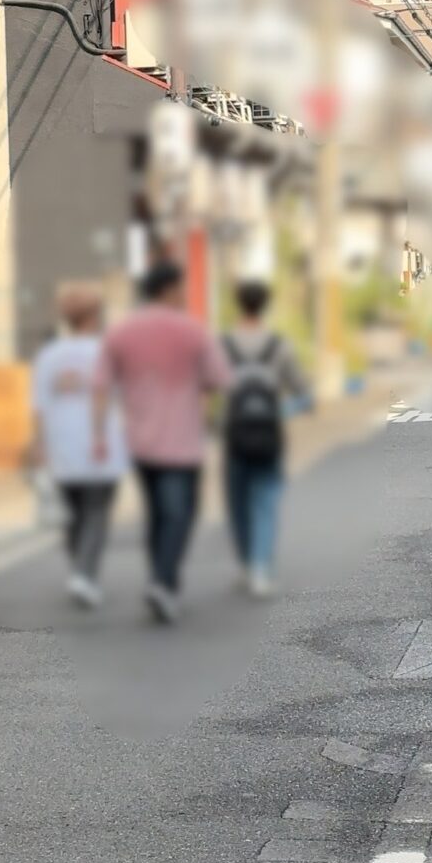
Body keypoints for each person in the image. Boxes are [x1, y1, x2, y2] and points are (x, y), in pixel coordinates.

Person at [94, 258, 230, 623]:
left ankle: (160, 579)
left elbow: (101, 386)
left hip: (138, 440)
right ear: (169, 290)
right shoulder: (191, 331)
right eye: (180, 288)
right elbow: (219, 378)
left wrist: (98, 436)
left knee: (157, 512)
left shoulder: (121, 333)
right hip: (181, 440)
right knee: (180, 513)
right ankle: (162, 581)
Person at [31, 283, 127, 607]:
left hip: (62, 447)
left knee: (74, 513)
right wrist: (101, 436)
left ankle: (79, 571)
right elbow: (110, 398)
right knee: (96, 512)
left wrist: (40, 446)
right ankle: (83, 575)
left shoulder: (49, 356)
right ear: (95, 317)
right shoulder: (106, 353)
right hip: (99, 445)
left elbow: (39, 406)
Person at [221, 279, 309, 597]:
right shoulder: (279, 345)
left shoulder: (223, 344)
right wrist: (291, 406)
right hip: (269, 433)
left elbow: (209, 385)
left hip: (234, 432)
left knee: (238, 502)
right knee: (266, 502)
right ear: (265, 305)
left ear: (238, 304)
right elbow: (301, 388)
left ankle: (246, 565)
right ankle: (261, 569)